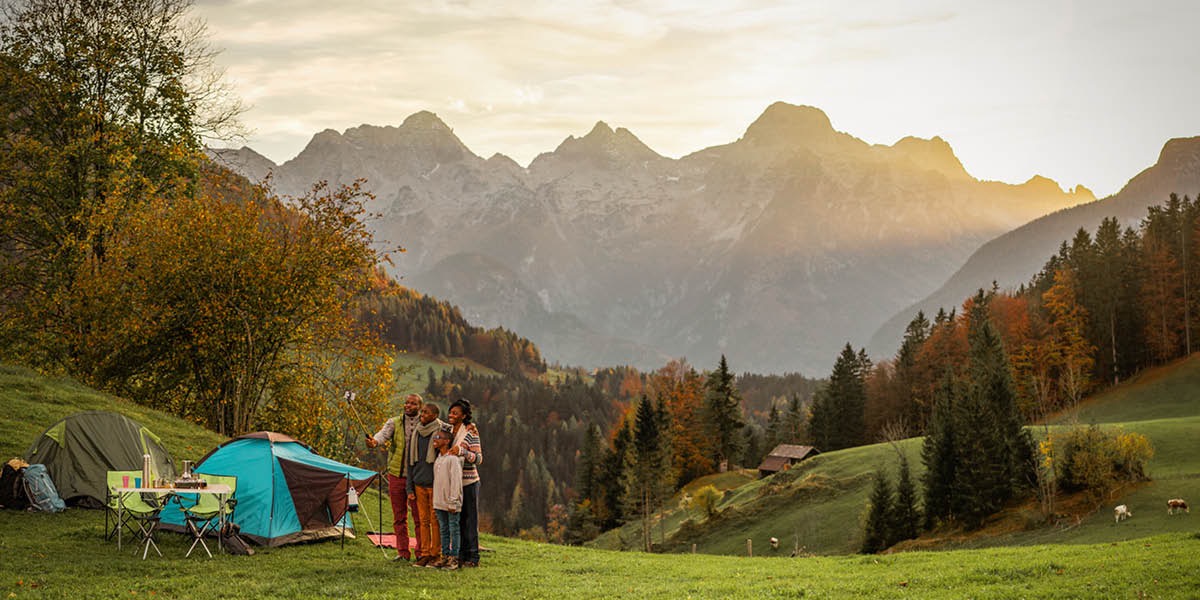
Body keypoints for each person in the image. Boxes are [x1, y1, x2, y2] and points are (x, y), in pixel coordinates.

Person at [365, 393, 423, 561]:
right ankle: (403, 553)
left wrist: (468, 428)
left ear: (419, 407)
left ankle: (422, 553)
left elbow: (445, 429)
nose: (408, 406)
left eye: (412, 403)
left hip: (417, 477)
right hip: (396, 475)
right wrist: (374, 442)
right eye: (406, 403)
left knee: (419, 517)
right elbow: (382, 435)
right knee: (399, 516)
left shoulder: (426, 422)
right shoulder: (394, 422)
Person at [406, 402, 445, 567]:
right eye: (422, 412)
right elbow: (410, 462)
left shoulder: (441, 432)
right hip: (418, 483)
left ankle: (436, 554)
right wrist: (409, 486)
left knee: (435, 520)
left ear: (435, 416)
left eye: (426, 412)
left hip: (434, 483)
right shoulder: (416, 433)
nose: (422, 414)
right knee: (423, 520)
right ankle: (425, 553)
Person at [447, 398, 482, 568]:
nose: (451, 415)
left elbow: (478, 458)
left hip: (469, 482)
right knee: (457, 520)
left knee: (470, 520)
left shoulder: (470, 433)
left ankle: (473, 557)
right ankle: (460, 554)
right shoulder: (447, 430)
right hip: (453, 482)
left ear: (464, 416)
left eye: (455, 413)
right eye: (450, 412)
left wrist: (462, 452)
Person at [430, 426, 463, 570]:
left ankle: (454, 559)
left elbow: (456, 481)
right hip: (439, 502)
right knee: (443, 529)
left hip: (451, 502)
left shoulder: (453, 460)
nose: (435, 440)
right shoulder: (438, 459)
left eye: (438, 438)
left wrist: (453, 501)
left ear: (447, 441)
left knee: (453, 529)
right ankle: (444, 556)